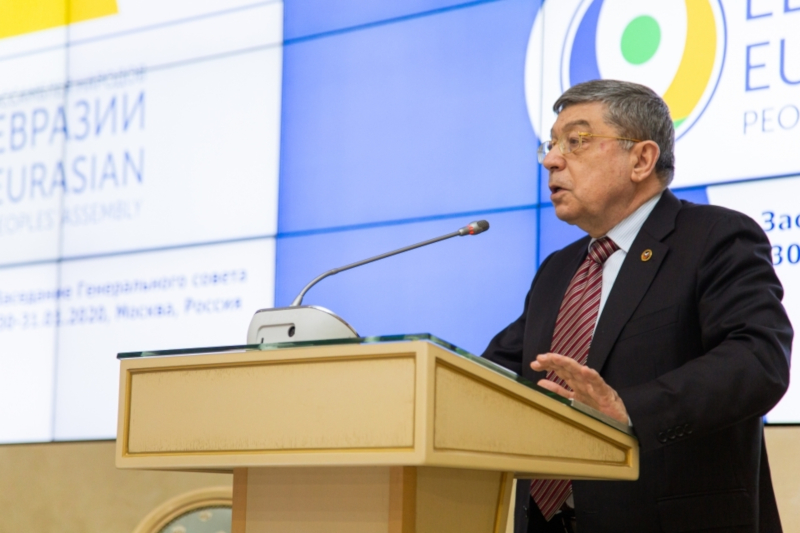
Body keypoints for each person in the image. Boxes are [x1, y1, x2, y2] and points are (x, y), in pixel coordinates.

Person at [481, 79, 792, 533]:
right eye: (551, 144)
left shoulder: (714, 237)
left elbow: (757, 361)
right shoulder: (558, 269)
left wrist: (629, 408)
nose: (551, 160)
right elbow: (498, 372)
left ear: (642, 159)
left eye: (576, 141)